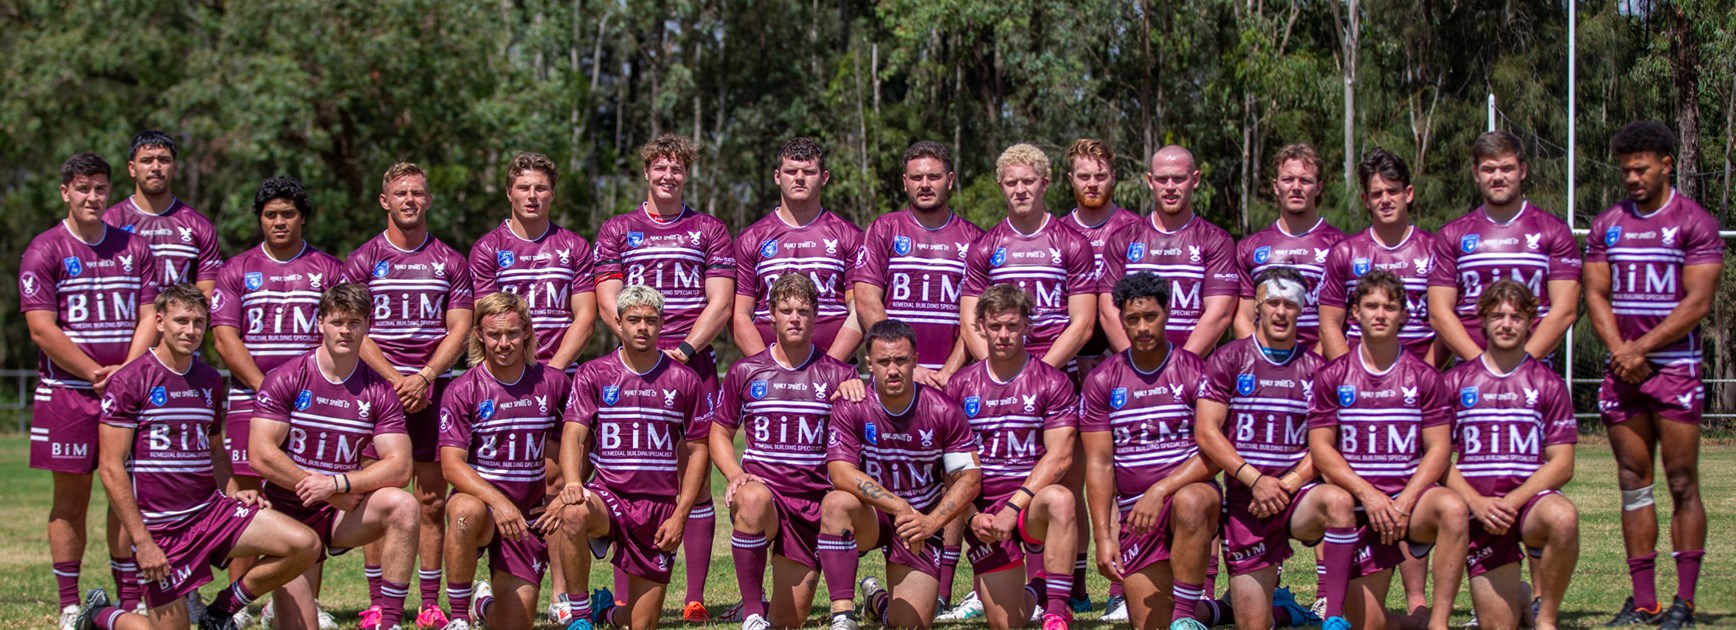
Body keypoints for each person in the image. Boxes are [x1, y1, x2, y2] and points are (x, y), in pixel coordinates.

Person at [77, 283, 322, 630]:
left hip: (210, 512)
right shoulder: (130, 380)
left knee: (304, 544)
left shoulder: (208, 380)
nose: (190, 331)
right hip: (161, 529)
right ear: (159, 321)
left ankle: (221, 610)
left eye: (198, 322)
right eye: (181, 321)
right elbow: (111, 467)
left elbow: (216, 453)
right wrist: (143, 542)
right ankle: (100, 615)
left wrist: (233, 490)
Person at [1584, 120, 1724, 629]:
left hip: (1675, 372)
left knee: (1682, 482)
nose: (1632, 178)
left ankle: (1683, 602)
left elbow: (1699, 301)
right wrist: (1622, 351)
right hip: (1624, 371)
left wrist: (1641, 347)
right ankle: (1644, 601)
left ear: (1667, 164)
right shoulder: (1607, 224)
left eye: (1641, 168)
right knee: (1632, 483)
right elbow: (1595, 294)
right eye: (1625, 170)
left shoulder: (1695, 222)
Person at [592, 135, 735, 620]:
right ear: (646, 172)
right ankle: (628, 598)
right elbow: (608, 301)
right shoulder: (618, 229)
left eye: (676, 168)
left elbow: (721, 301)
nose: (667, 175)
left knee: (692, 473)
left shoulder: (709, 229)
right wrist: (644, 346)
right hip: (634, 362)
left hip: (690, 363)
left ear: (686, 174)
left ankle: (694, 597)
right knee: (630, 476)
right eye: (659, 167)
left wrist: (684, 350)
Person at [21, 152, 161, 628]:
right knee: (71, 499)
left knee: (127, 494)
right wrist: (92, 370)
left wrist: (125, 372)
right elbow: (42, 329)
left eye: (100, 188)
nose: (92, 197)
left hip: (126, 390)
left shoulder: (134, 247)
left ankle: (127, 598)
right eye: (83, 188)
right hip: (67, 391)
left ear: (109, 191)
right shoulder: (45, 249)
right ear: (66, 192)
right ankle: (68, 603)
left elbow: (150, 316)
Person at [341, 162, 475, 629]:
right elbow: (355, 328)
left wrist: (427, 375)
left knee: (433, 499)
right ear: (385, 200)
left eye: (418, 192)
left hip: (434, 388)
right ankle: (379, 600)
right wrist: (397, 379)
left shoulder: (451, 261)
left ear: (429, 199)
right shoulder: (362, 260)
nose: (410, 200)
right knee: (377, 496)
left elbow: (460, 326)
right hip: (377, 388)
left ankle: (431, 601)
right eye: (401, 193)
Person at [248, 283, 421, 630]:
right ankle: (234, 605)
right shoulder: (288, 376)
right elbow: (260, 454)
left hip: (340, 509)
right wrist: (319, 486)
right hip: (289, 511)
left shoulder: (378, 390)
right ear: (320, 323)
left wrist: (339, 484)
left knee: (405, 506)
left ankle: (388, 622)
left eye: (355, 322)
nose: (345, 331)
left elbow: (400, 466)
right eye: (337, 321)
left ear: (368, 327)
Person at [1306, 270, 1469, 630]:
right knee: (1369, 625)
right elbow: (1321, 450)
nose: (1380, 314)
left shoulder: (1425, 376)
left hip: (1409, 505)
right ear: (1355, 314)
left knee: (1454, 508)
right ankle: (1416, 622)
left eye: (1390, 307)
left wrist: (1404, 500)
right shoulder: (1333, 375)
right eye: (1372, 306)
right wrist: (1371, 496)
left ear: (1405, 315)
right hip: (1357, 509)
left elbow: (1439, 449)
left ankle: (1439, 622)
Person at [1195, 266, 1350, 630]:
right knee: (1254, 624)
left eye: (1291, 305)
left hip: (1296, 497)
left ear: (1302, 311)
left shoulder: (1318, 370)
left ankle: (1335, 617)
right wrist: (1255, 479)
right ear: (1257, 308)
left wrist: (1287, 484)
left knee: (1339, 502)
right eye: (1274, 303)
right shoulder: (1229, 360)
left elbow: (1325, 444)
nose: (1281, 312)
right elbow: (1207, 431)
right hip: (1247, 500)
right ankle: (1289, 612)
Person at [711, 274, 861, 630]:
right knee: (752, 499)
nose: (795, 317)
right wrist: (735, 474)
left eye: (803, 311)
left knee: (787, 621)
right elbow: (719, 432)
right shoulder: (746, 371)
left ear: (816, 316)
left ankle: (864, 598)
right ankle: (750, 614)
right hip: (764, 496)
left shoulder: (839, 374)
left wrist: (858, 391)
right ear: (770, 315)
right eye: (786, 310)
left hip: (812, 504)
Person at [558, 285, 712, 630]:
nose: (642, 327)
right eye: (634, 320)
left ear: (662, 324)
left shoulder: (684, 380)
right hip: (608, 496)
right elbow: (574, 433)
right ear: (619, 322)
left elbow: (699, 450)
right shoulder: (594, 373)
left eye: (650, 320)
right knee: (572, 513)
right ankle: (580, 616)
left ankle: (606, 612)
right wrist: (571, 482)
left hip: (657, 507)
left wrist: (681, 516)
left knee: (640, 625)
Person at [1080, 273, 1223, 630]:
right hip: (1136, 516)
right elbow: (1099, 464)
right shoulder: (1103, 380)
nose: (1142, 327)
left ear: (1168, 313)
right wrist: (1103, 536)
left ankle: (1188, 616)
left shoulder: (1196, 371)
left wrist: (1160, 491)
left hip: (1188, 499)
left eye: (1151, 316)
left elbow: (1215, 452)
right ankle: (1218, 612)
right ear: (1122, 321)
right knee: (1152, 624)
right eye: (1133, 319)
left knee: (1190, 500)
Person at [819, 320, 981, 630]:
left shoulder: (944, 410)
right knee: (837, 502)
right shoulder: (852, 405)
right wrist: (898, 507)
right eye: (883, 361)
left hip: (919, 525)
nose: (893, 370)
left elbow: (969, 479)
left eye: (901, 360)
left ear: (915, 360)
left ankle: (877, 602)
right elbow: (840, 472)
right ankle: (843, 616)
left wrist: (929, 523)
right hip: (874, 515)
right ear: (870, 363)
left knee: (910, 625)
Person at [1442, 280, 1580, 630]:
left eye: (1516, 317)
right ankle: (1518, 597)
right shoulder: (1456, 382)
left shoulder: (1548, 383)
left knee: (1563, 517)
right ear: (1483, 321)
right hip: (1479, 512)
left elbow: (1563, 464)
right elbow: (1438, 457)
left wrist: (1513, 501)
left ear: (1530, 322)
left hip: (1529, 505)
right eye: (1497, 315)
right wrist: (1476, 503)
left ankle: (1546, 618)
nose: (1506, 323)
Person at [944, 285, 1081, 630]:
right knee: (1008, 624)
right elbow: (949, 465)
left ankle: (1057, 611)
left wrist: (1014, 507)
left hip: (1029, 505)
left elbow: (1061, 457)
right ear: (980, 327)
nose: (1003, 335)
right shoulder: (960, 386)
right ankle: (1037, 591)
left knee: (1062, 499)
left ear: (1026, 327)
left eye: (1012, 326)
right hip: (984, 513)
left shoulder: (1052, 381)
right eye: (995, 326)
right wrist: (972, 516)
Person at [436, 292, 573, 630]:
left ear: (526, 331)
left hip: (527, 517)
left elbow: (579, 439)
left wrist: (566, 489)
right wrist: (497, 502)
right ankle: (458, 616)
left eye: (512, 333)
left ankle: (484, 605)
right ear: (479, 335)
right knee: (464, 512)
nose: (504, 343)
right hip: (482, 506)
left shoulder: (552, 382)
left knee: (516, 623)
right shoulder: (463, 388)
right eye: (494, 334)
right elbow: (451, 464)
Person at [1428, 131, 1581, 363]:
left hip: (1534, 372)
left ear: (1523, 170)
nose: (1497, 177)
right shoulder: (1453, 234)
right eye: (1489, 169)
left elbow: (1565, 310)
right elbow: (1439, 313)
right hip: (1471, 374)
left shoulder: (1554, 230)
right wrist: (1481, 365)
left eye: (1507, 168)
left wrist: (1521, 365)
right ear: (1476, 174)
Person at [851, 140, 984, 387]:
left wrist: (947, 373)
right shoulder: (884, 229)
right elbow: (866, 300)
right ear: (905, 182)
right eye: (916, 178)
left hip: (953, 380)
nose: (924, 185)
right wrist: (907, 366)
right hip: (895, 378)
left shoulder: (976, 238)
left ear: (950, 180)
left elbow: (978, 318)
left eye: (934, 177)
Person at [961, 144, 1096, 375]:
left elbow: (1083, 324)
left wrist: (1038, 374)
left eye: (1029, 181)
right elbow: (970, 324)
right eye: (1012, 183)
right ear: (1001, 186)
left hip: (1057, 371)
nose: (1020, 190)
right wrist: (1001, 372)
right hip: (1001, 372)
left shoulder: (1074, 243)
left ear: (1044, 183)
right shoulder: (983, 247)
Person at [1097, 146, 1239, 359]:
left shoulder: (1217, 240)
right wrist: (1140, 362)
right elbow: (1109, 313)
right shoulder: (1123, 239)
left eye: (1179, 178)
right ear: (1150, 181)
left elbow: (1219, 314)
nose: (1170, 187)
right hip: (1135, 370)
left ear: (1196, 179)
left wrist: (1177, 368)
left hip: (1194, 371)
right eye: (1162, 179)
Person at [733, 137, 865, 361]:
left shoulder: (850, 236)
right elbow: (739, 315)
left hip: (834, 371)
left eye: (809, 172)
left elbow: (860, 309)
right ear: (777, 176)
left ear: (824, 178)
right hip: (769, 373)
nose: (800, 178)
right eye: (791, 171)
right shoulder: (751, 238)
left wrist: (829, 368)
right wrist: (766, 366)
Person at [466, 151, 597, 371]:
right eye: (524, 188)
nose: (533, 196)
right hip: (505, 373)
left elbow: (586, 318)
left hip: (561, 370)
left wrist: (554, 371)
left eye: (541, 188)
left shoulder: (575, 246)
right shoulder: (486, 248)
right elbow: (488, 322)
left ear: (552, 194)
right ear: (509, 193)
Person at [1317, 149, 1442, 363]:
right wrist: (1352, 375)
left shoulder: (1435, 249)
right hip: (1359, 382)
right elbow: (1329, 325)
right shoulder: (1345, 252)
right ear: (1366, 200)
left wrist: (1425, 375)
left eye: (1392, 191)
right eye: (1377, 194)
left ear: (1408, 193)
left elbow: (1446, 320)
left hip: (1417, 384)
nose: (1385, 200)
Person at [1232, 144, 1347, 352]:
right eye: (1288, 180)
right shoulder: (1250, 246)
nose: (1296, 187)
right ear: (1276, 186)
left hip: (1319, 366)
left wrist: (1312, 365)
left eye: (1305, 180)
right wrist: (1260, 360)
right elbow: (1244, 318)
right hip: (1264, 365)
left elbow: (1341, 322)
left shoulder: (1341, 246)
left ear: (1319, 187)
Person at [102, 131, 223, 296]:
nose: (156, 167)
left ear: (175, 168)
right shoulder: (110, 221)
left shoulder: (199, 225)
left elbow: (207, 293)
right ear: (132, 168)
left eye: (164, 160)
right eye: (146, 161)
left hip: (180, 321)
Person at [1061, 138, 1142, 379]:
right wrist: (1076, 357)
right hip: (1068, 363)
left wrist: (1109, 355)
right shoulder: (1057, 232)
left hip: (1126, 358)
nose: (1093, 184)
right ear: (1071, 179)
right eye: (1084, 177)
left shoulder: (1137, 228)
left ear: (1113, 178)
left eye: (1101, 176)